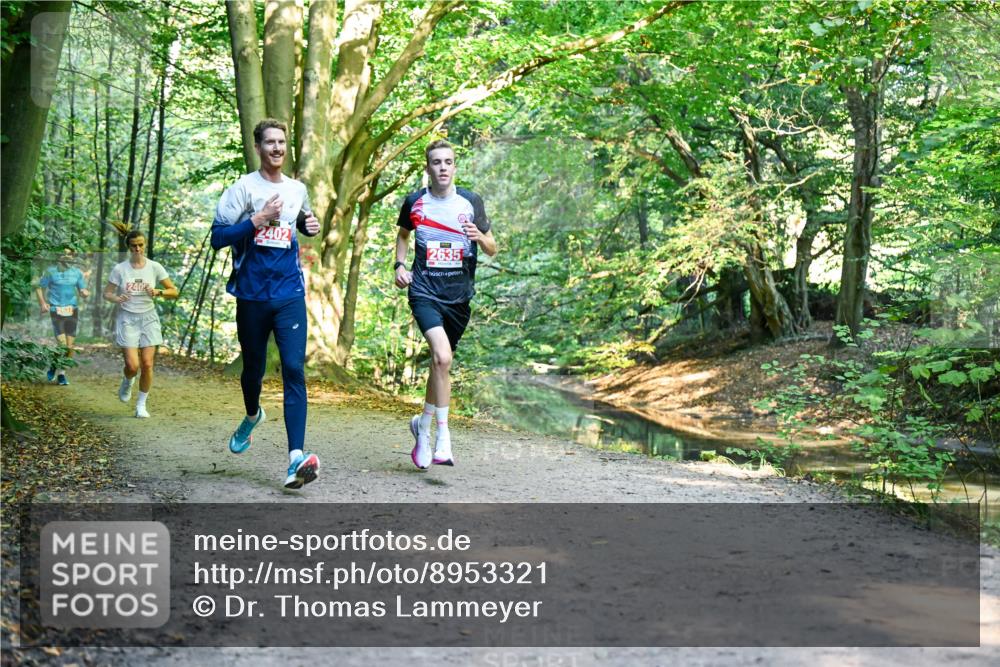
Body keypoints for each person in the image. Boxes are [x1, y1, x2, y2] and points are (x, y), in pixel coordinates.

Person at [211, 118, 322, 490]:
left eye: (281, 142)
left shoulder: (297, 189)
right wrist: (256, 220)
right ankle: (252, 413)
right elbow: (217, 237)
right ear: (258, 147)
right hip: (252, 295)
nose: (276, 148)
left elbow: (298, 223)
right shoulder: (242, 188)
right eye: (269, 142)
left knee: (293, 369)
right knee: (253, 371)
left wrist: (308, 225)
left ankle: (295, 459)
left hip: (289, 293)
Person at [394, 139, 497, 469]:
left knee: (441, 365)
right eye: (436, 162)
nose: (442, 167)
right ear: (428, 168)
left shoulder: (470, 202)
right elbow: (403, 235)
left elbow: (493, 247)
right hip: (425, 292)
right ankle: (443, 436)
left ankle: (421, 428)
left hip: (459, 297)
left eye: (448, 162)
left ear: (454, 167)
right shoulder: (415, 202)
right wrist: (399, 265)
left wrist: (479, 237)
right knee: (442, 356)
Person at [103, 230, 178, 418]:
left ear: (145, 245)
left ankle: (141, 406)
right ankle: (128, 381)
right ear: (128, 247)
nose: (138, 248)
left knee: (147, 363)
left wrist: (158, 292)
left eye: (141, 245)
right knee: (132, 365)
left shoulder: (154, 267)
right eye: (134, 245)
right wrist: (117, 298)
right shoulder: (120, 269)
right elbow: (107, 293)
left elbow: (173, 291)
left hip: (148, 318)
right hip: (127, 318)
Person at [36, 247, 90, 385]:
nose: (67, 257)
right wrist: (43, 303)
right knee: (62, 344)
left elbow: (81, 288)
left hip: (72, 309)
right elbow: (39, 287)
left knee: (70, 346)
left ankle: (61, 374)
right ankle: (55, 365)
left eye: (69, 255)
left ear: (73, 257)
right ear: (59, 256)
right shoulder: (50, 271)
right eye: (64, 254)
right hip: (56, 309)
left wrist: (84, 293)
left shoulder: (77, 273)